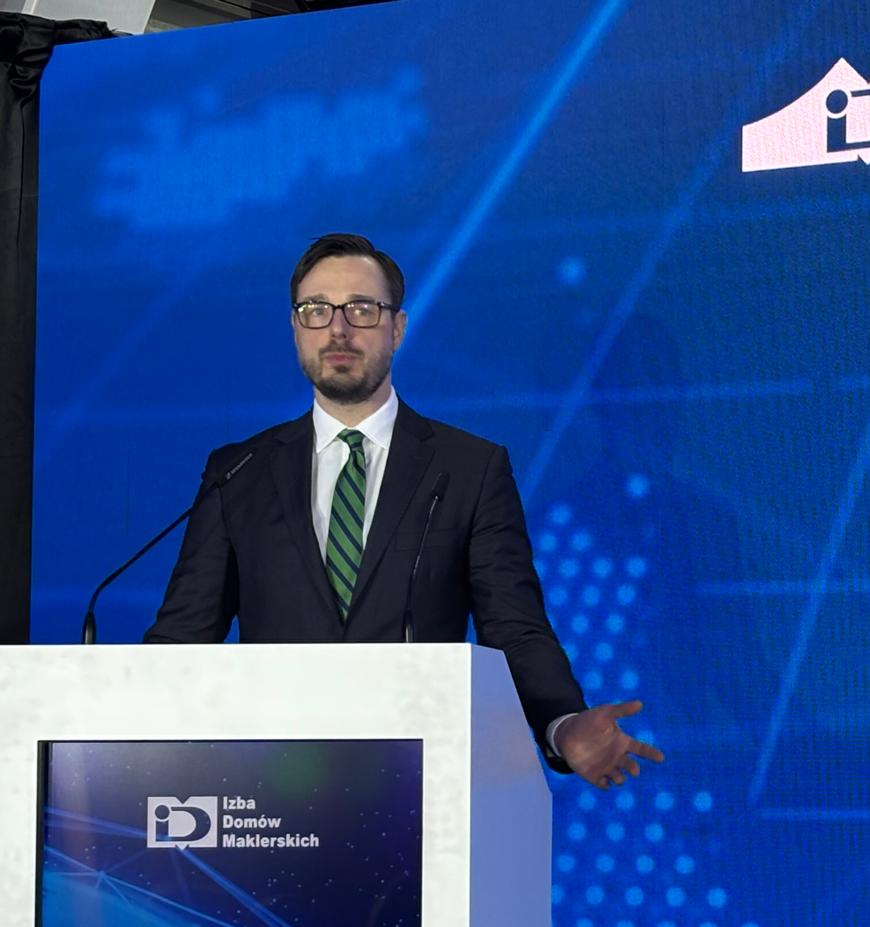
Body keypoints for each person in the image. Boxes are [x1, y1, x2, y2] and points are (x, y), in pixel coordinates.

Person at [145, 233, 661, 788]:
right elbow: (181, 642)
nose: (338, 329)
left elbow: (514, 628)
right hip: (270, 787)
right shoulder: (238, 472)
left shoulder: (470, 469)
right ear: (295, 328)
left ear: (397, 328)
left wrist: (561, 724)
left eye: (362, 309)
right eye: (316, 310)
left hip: (418, 785)